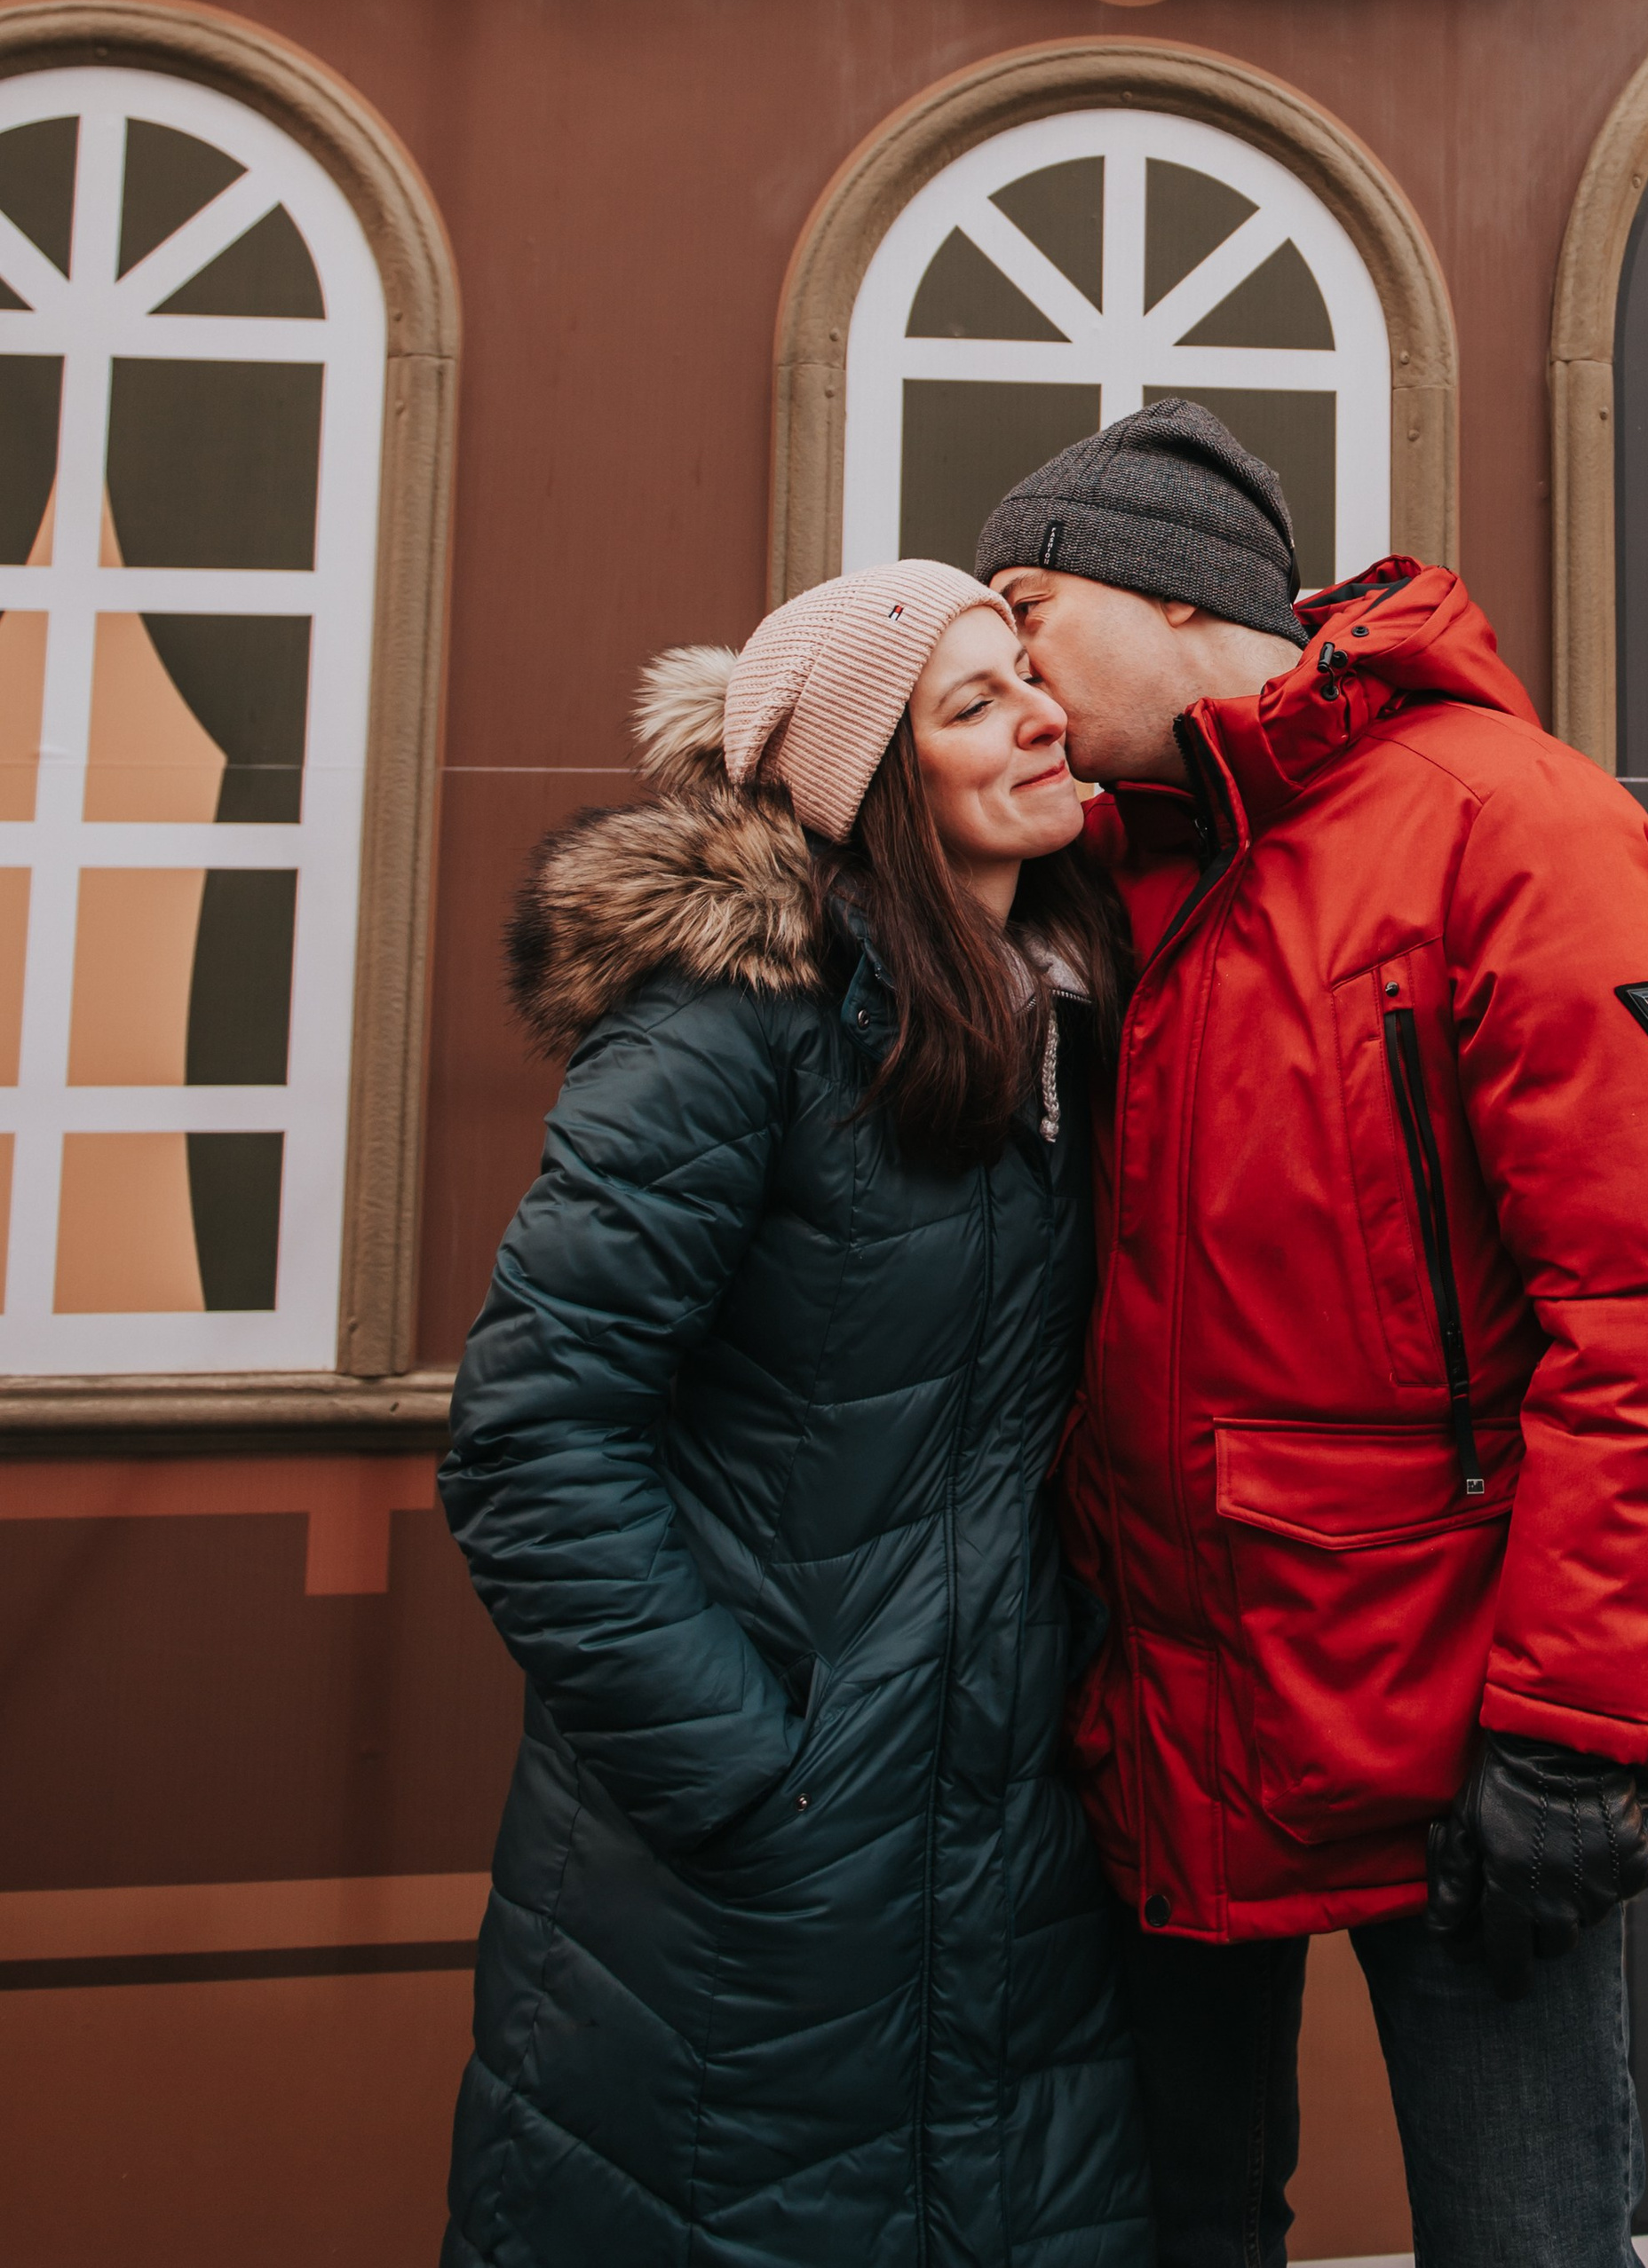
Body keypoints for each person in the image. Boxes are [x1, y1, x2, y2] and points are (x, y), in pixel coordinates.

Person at [974, 402, 1648, 2268]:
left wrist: (1570, 1731)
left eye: (1025, 607)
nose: (1007, 669)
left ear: (1165, 596)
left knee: (1524, 2238)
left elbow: (1639, 1305)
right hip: (1160, 1722)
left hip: (1456, 1743)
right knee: (1173, 2232)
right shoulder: (1111, 872)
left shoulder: (1511, 818)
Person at [438, 562, 1153, 2268]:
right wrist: (754, 1775)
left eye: (1023, 679)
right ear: (877, 792)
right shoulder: (730, 1028)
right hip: (743, 1878)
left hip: (1002, 1849)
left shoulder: (1060, 1015)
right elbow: (532, 1435)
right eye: (969, 705)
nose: (1041, 716)